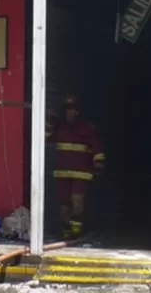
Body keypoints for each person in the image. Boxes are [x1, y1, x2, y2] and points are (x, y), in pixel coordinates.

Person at [45, 94, 104, 239]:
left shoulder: (86, 128)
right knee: (64, 204)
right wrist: (49, 121)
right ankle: (66, 231)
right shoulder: (58, 127)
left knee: (77, 201)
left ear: (78, 111)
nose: (69, 112)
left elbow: (97, 149)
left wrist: (99, 166)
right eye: (67, 109)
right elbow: (45, 139)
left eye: (72, 109)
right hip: (62, 173)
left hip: (81, 173)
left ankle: (77, 231)